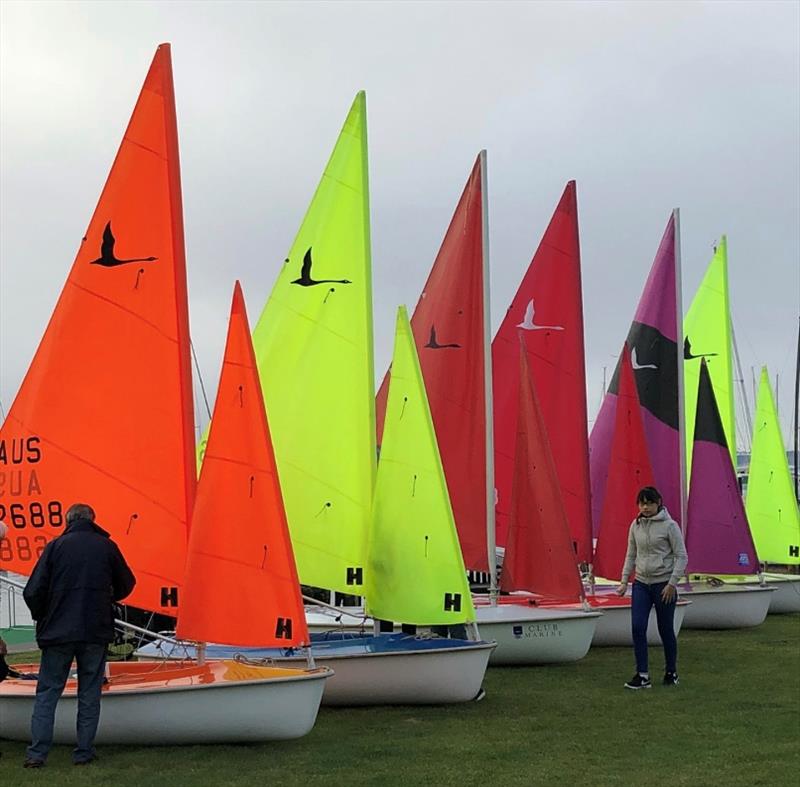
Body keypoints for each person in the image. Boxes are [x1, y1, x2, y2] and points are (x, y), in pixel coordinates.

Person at [22, 503, 135, 768]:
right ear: (93, 520)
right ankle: (83, 752)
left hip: (58, 632)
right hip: (95, 630)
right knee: (89, 692)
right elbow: (127, 583)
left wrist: (44, 616)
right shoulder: (107, 547)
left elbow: (32, 591)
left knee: (48, 692)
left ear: (67, 520)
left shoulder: (55, 547)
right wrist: (106, 599)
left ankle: (37, 754)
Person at [615, 486, 688, 690]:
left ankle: (671, 672)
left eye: (649, 503)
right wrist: (623, 582)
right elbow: (631, 554)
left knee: (666, 630)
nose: (645, 507)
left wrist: (672, 583)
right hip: (641, 583)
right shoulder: (635, 525)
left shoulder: (670, 526)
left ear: (658, 503)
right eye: (642, 503)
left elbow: (681, 556)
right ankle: (642, 675)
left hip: (663, 584)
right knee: (638, 627)